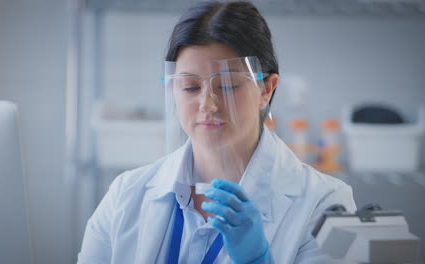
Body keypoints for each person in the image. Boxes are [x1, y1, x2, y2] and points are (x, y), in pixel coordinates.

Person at [77, 1, 356, 263]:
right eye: (190, 87)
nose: (207, 104)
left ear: (266, 89)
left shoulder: (328, 205)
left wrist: (256, 260)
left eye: (228, 86)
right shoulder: (125, 196)